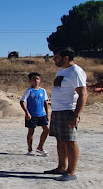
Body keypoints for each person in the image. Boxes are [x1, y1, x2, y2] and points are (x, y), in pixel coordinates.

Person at [43, 47, 87, 181]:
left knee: (70, 141)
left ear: (66, 58)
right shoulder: (62, 70)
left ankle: (71, 172)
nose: (53, 59)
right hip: (57, 110)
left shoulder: (75, 72)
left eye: (56, 57)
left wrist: (75, 115)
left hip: (68, 111)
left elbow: (83, 94)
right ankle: (61, 167)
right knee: (60, 140)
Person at [19, 72, 50, 156]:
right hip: (32, 115)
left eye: (37, 79)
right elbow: (22, 101)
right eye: (34, 79)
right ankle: (30, 149)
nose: (36, 81)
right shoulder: (29, 91)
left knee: (47, 130)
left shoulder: (42, 90)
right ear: (30, 81)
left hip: (41, 114)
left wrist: (47, 114)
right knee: (31, 131)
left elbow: (45, 102)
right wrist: (27, 113)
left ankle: (40, 147)